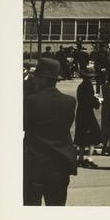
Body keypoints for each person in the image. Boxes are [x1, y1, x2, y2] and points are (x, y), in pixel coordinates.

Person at [23, 58, 77, 206]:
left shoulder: (31, 101)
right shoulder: (69, 101)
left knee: (31, 207)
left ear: (42, 79)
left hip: (35, 162)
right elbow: (66, 126)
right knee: (56, 208)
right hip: (60, 163)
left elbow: (25, 126)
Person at [74, 68, 102, 168]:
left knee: (81, 135)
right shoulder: (89, 86)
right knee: (95, 134)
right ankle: (89, 157)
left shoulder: (81, 86)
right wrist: (97, 101)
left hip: (80, 112)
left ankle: (80, 157)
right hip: (88, 113)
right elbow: (90, 100)